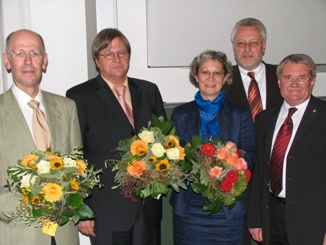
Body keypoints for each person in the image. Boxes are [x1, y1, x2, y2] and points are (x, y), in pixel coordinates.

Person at [66, 28, 166, 245]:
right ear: (97, 61)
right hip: (106, 210)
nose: (117, 59)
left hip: (148, 207)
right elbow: (76, 157)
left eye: (122, 53)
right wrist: (82, 208)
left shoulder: (149, 91)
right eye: (108, 54)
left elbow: (165, 142)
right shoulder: (79, 96)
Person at [0, 29, 81, 244]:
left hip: (63, 233)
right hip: (18, 232)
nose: (28, 61)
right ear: (6, 61)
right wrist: (31, 204)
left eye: (34, 53)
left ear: (44, 61)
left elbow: (78, 168)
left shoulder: (66, 108)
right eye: (19, 53)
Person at [170, 50, 256, 245]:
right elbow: (173, 155)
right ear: (195, 75)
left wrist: (234, 164)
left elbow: (251, 152)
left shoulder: (239, 113)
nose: (210, 78)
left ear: (225, 77)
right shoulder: (180, 114)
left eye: (217, 73)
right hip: (189, 208)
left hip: (228, 209)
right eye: (204, 72)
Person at [247, 53, 326, 245]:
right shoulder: (266, 118)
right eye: (288, 77)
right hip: (272, 217)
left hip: (312, 222)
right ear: (279, 81)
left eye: (302, 78)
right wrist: (256, 219)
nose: (294, 84)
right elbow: (260, 172)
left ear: (312, 81)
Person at [224, 17, 283, 123]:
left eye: (254, 42)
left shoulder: (283, 76)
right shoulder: (221, 81)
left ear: (264, 45)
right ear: (233, 46)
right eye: (241, 43)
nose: (247, 48)